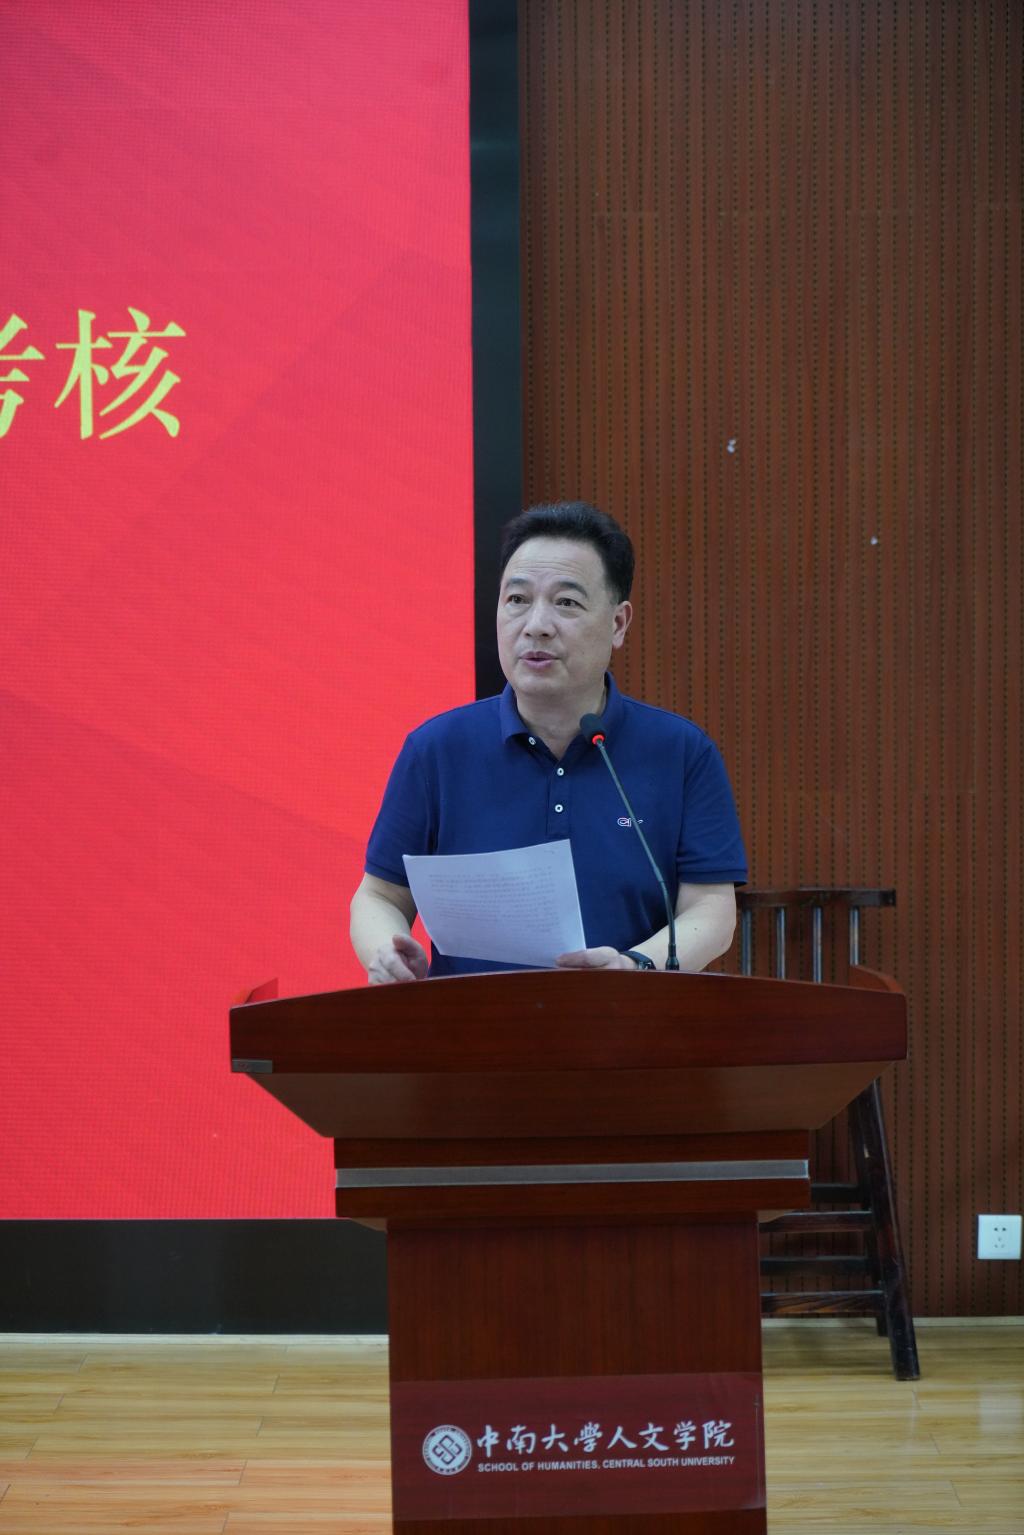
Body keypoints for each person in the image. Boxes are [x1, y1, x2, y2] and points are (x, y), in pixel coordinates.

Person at [350, 502, 747, 983]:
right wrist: (387, 951)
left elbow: (711, 908)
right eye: (517, 599)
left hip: (628, 1017)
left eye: (567, 603)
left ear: (618, 624)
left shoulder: (681, 752)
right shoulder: (436, 750)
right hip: (469, 1024)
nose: (536, 624)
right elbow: (380, 895)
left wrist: (634, 964)